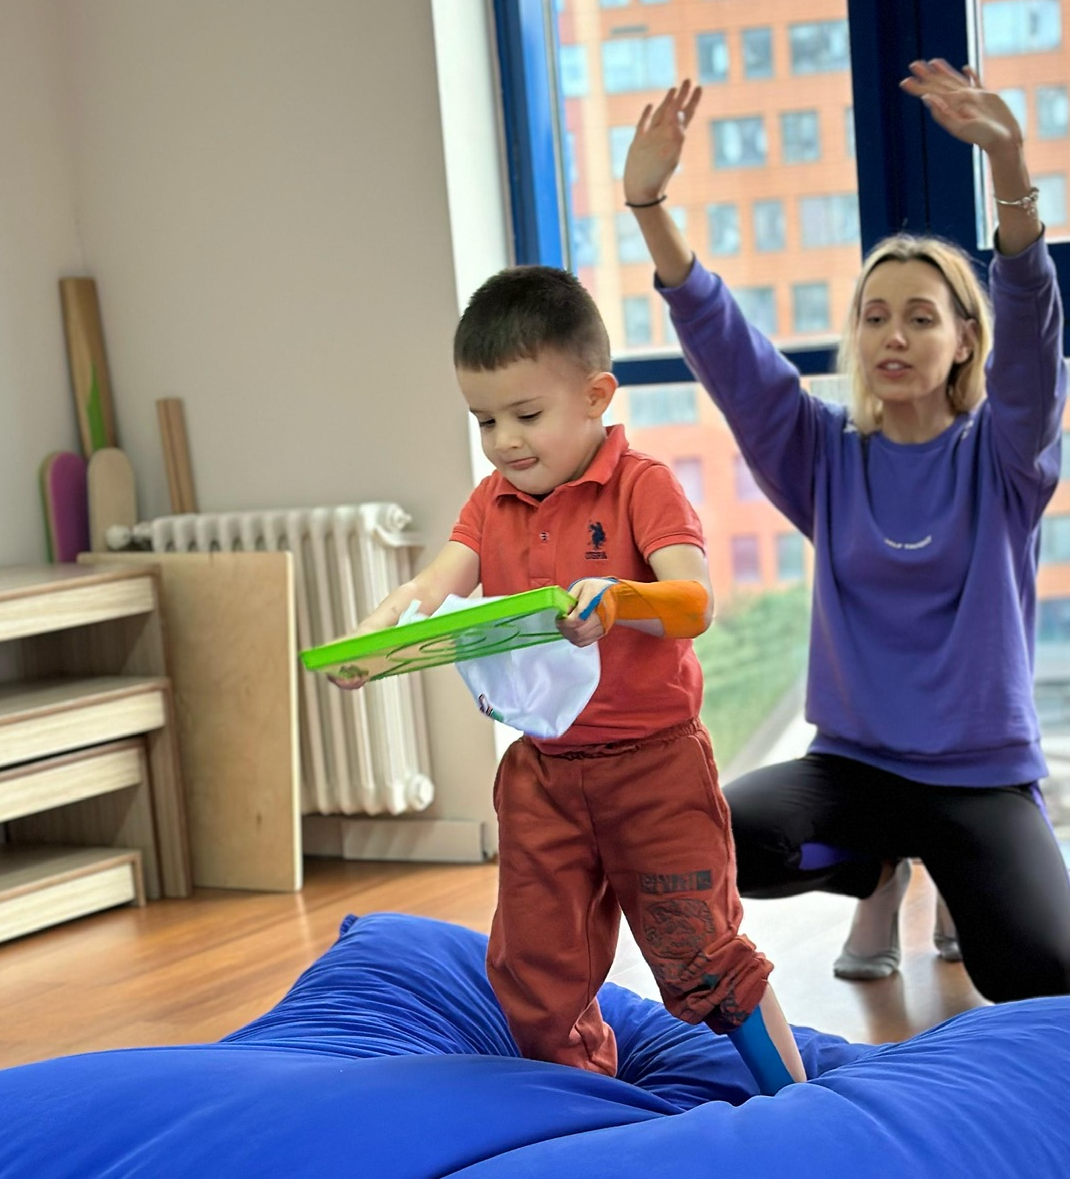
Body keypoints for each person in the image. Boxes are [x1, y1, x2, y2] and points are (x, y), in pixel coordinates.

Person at [622, 59, 1070, 1004]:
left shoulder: (1007, 457)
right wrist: (650, 206)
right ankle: (878, 873)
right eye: (875, 317)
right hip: (856, 769)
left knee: (1041, 972)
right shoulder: (822, 454)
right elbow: (731, 354)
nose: (893, 336)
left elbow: (1034, 332)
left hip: (979, 775)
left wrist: (1008, 165)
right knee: (715, 837)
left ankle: (951, 876)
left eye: (920, 317)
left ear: (965, 339)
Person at [329, 265, 806, 1096]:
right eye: (484, 420)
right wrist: (375, 641)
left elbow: (694, 602)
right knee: (535, 971)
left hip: (655, 770)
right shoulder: (491, 502)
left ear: (596, 396)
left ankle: (799, 1103)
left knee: (700, 954)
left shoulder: (643, 486)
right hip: (546, 776)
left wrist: (619, 599)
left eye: (526, 415)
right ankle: (582, 1111)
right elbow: (432, 587)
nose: (504, 441)